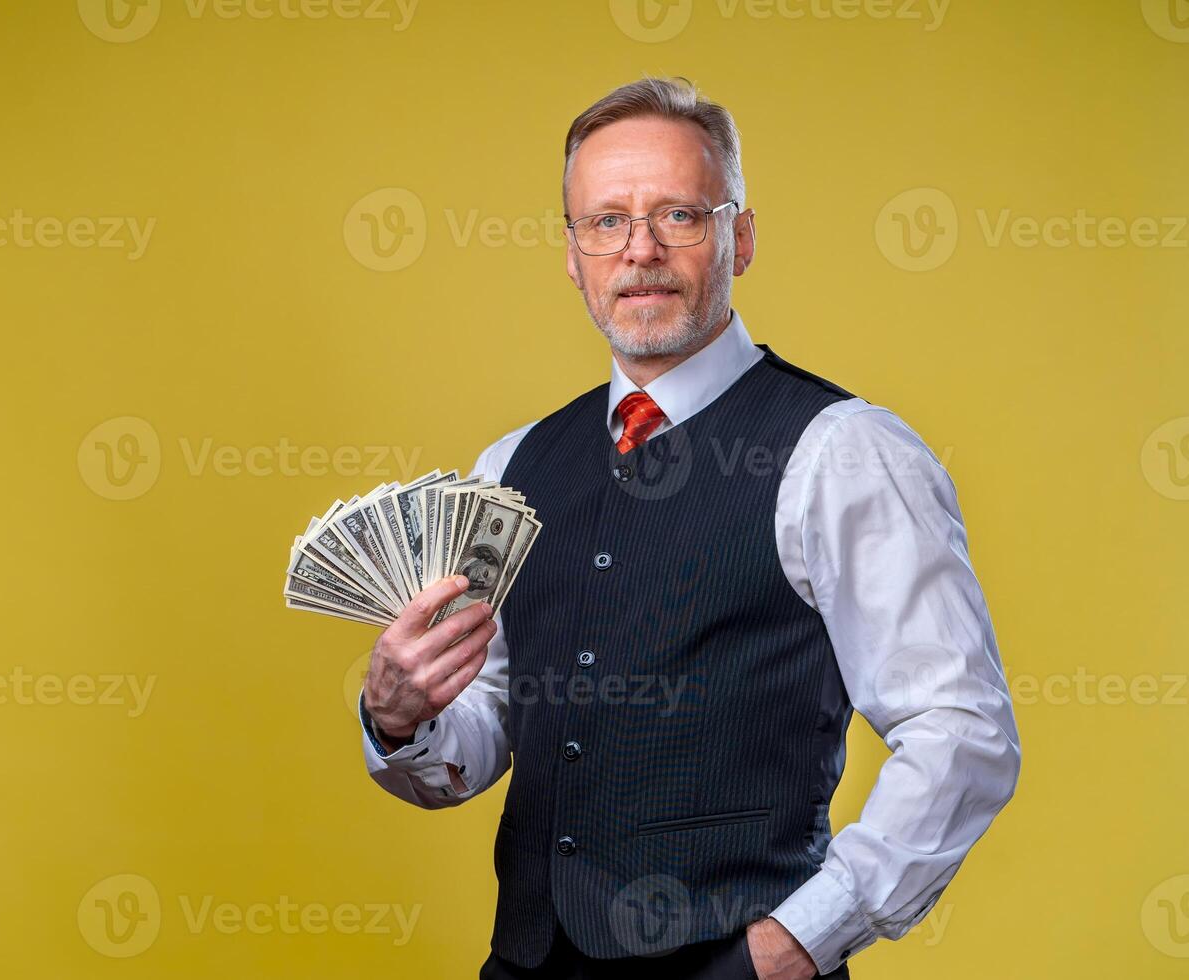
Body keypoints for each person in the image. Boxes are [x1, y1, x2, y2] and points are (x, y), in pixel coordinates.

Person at [357, 76, 1020, 979]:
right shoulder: (509, 467)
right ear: (571, 253)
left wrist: (796, 944)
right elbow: (486, 734)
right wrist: (401, 724)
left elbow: (962, 728)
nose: (641, 252)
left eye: (680, 215)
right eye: (606, 222)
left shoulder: (845, 453)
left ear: (738, 238)